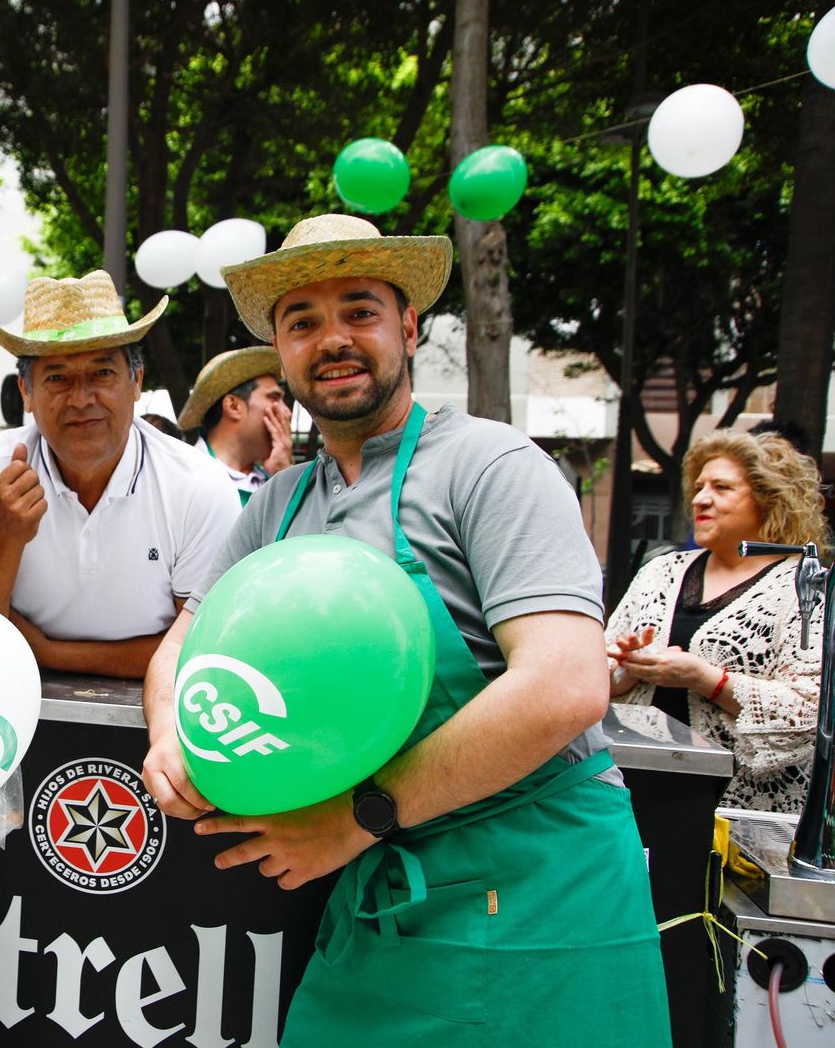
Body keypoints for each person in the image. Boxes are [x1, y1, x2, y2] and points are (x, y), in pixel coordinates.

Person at [140, 214, 669, 1043]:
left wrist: (357, 817)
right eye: (303, 322)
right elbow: (184, 643)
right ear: (280, 351)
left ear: (409, 327)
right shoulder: (277, 509)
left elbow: (565, 685)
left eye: (360, 310)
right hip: (380, 907)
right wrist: (169, 731)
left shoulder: (491, 467)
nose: (334, 339)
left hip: (536, 897)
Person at [0, 270, 239, 679]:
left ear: (136, 382)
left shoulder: (196, 485)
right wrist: (4, 535)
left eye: (102, 373)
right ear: (26, 393)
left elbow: (201, 648)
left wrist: (50, 653)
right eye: (57, 377)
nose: (80, 398)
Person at [608, 429, 827, 813]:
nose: (700, 498)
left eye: (722, 488)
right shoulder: (659, 571)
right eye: (699, 486)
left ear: (768, 500)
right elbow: (593, 674)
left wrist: (705, 678)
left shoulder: (803, 587)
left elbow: (809, 711)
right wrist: (625, 671)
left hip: (736, 807)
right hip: (630, 786)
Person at [176, 346, 293, 504]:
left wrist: (284, 476)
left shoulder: (274, 479)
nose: (286, 412)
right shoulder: (182, 478)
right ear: (233, 406)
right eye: (274, 397)